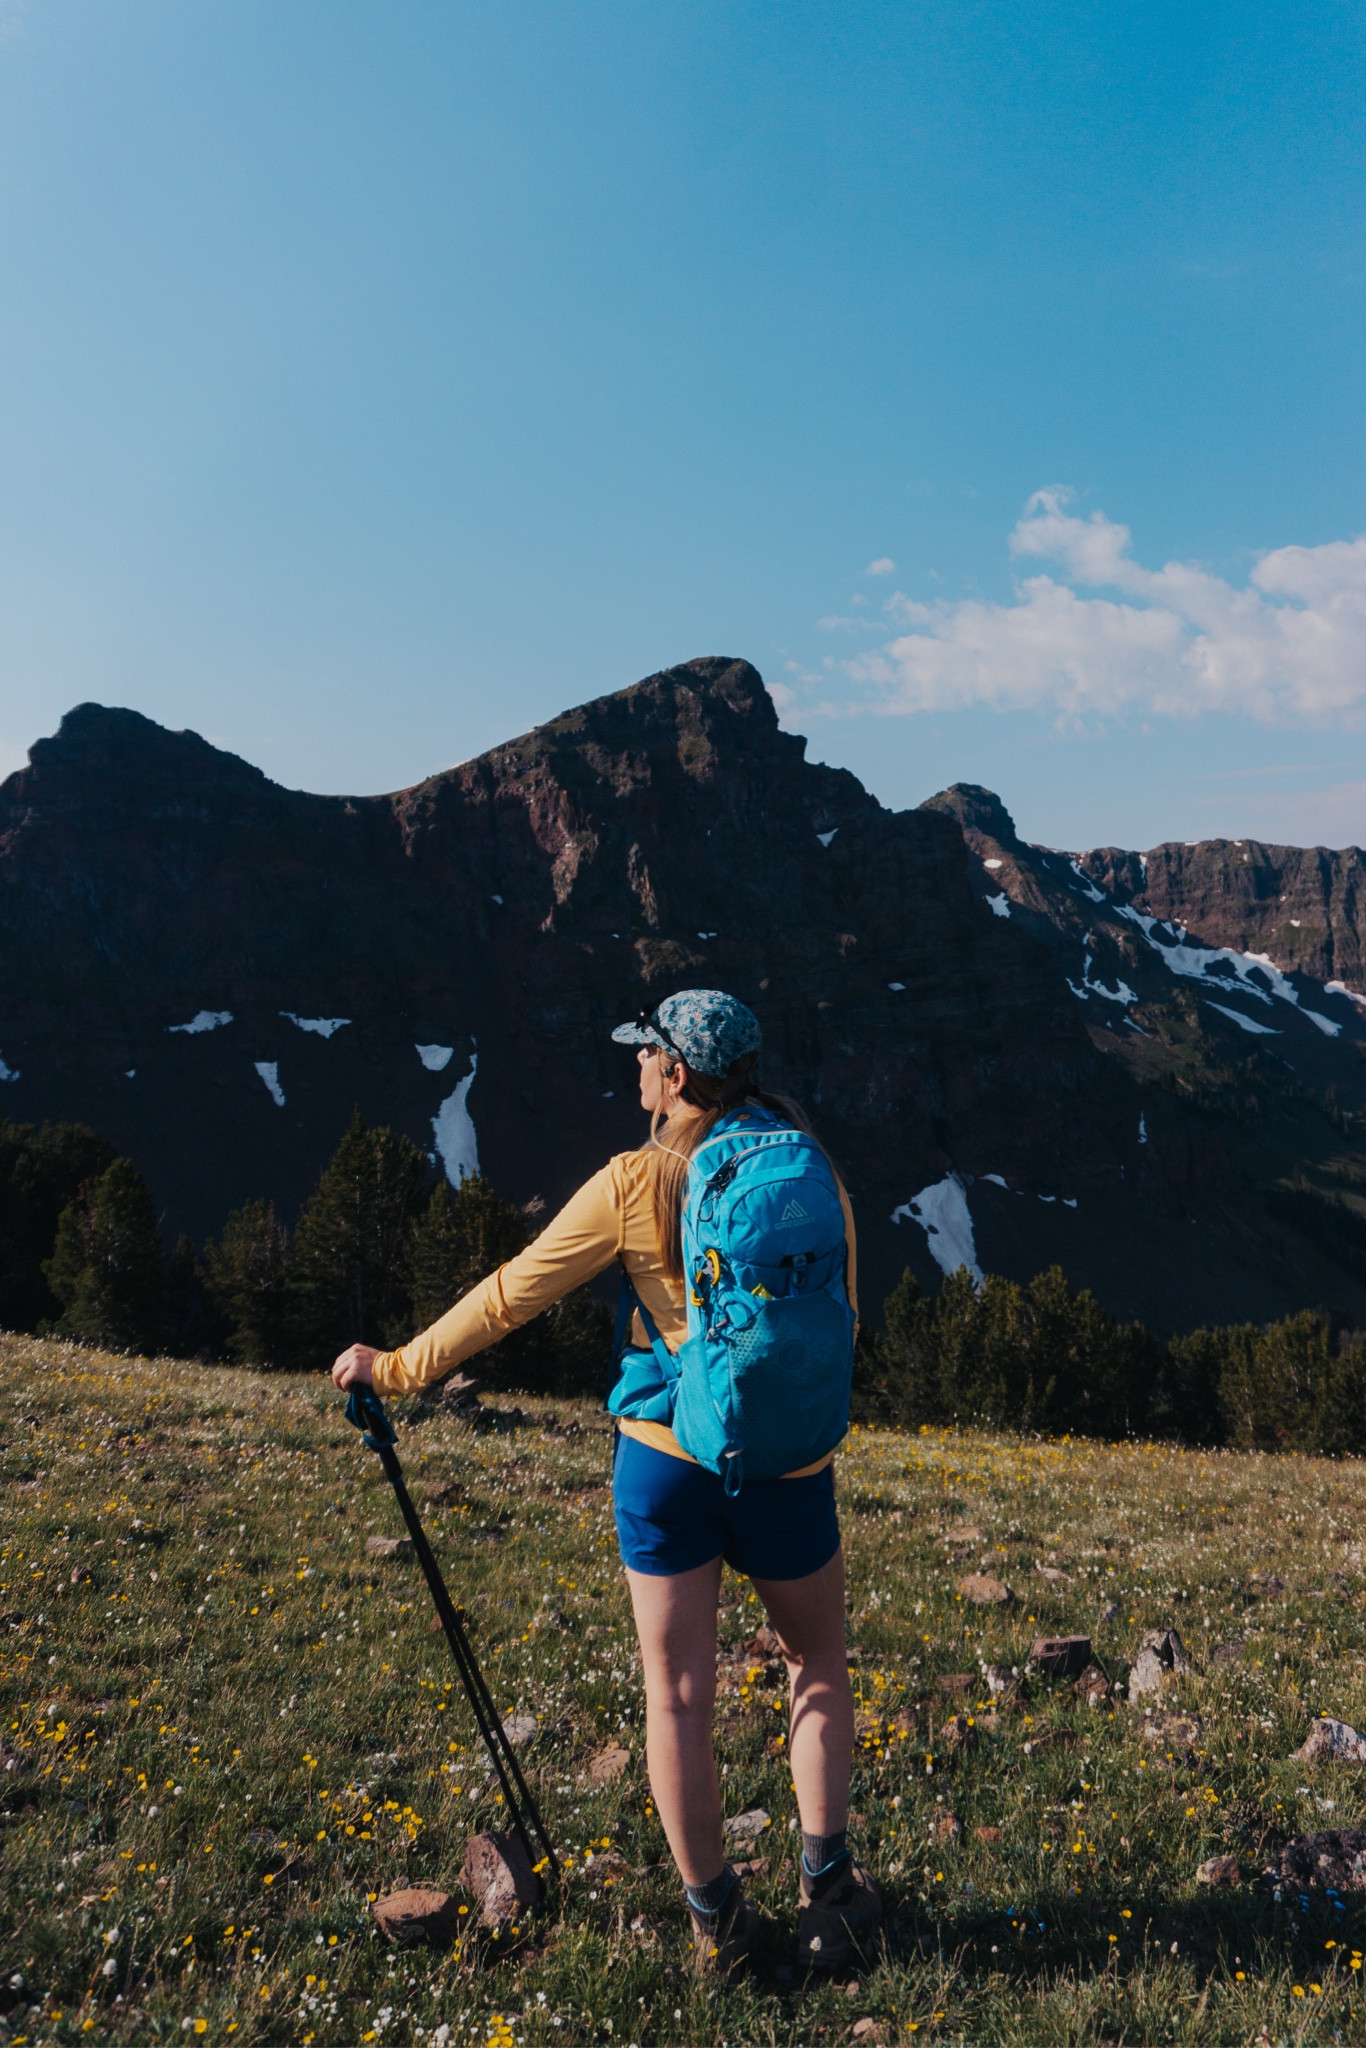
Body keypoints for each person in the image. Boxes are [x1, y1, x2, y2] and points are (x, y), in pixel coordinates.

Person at [331, 989, 881, 1976]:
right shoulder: (810, 1167)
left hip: (666, 1464)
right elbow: (836, 1309)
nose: (636, 1064)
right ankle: (828, 1894)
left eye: (647, 1052)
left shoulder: (634, 1181)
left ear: (678, 1073)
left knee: (678, 1697)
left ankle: (719, 1925)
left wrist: (398, 1367)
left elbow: (513, 1294)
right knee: (817, 1662)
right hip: (788, 1466)